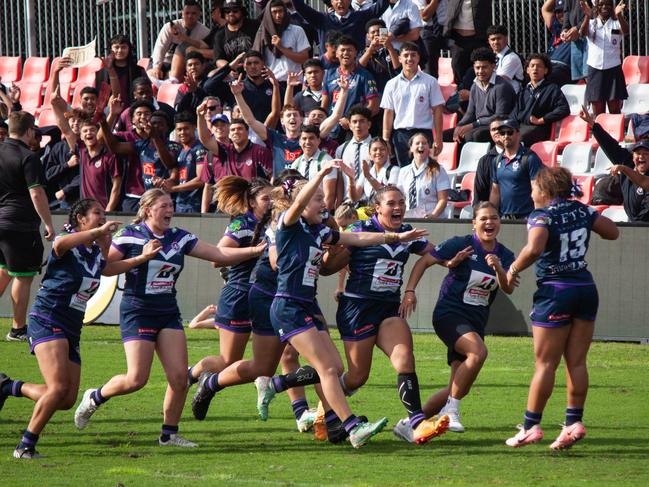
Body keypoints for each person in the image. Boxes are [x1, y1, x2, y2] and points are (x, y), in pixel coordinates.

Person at [246, 159, 429, 448]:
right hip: (288, 306)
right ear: (301, 202)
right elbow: (299, 204)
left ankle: (277, 386)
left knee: (334, 367)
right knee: (328, 370)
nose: (324, 204)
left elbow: (356, 237)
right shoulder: (288, 224)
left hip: (306, 305)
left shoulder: (319, 232)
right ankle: (352, 426)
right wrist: (320, 174)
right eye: (318, 199)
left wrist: (396, 236)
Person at [73, 189, 266, 447]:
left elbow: (218, 255)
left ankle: (169, 434)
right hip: (138, 310)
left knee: (178, 378)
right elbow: (107, 268)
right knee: (136, 379)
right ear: (148, 209)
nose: (170, 210)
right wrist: (139, 257)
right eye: (164, 205)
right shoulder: (130, 235)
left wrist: (254, 250)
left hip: (167, 312)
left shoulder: (179, 237)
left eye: (171, 205)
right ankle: (95, 397)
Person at [321, 185, 451, 445]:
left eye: (401, 202)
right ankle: (326, 406)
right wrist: (332, 253)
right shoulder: (359, 230)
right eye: (392, 203)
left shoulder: (407, 233)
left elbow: (438, 254)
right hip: (358, 308)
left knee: (404, 358)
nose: (399, 207)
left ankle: (414, 424)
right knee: (358, 376)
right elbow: (327, 269)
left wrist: (460, 257)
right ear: (377, 208)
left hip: (389, 309)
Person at [504, 166, 619, 449]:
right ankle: (573, 422)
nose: (531, 193)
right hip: (584, 288)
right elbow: (613, 232)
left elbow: (535, 248)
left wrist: (513, 268)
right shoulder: (583, 210)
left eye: (534, 188)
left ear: (544, 191)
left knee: (545, 364)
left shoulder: (540, 215)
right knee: (577, 362)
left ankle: (530, 426)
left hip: (556, 291)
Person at [1, 200, 120, 458]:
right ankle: (25, 446)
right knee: (56, 389)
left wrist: (142, 258)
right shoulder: (67, 240)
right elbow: (58, 244)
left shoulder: (93, 253)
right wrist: (100, 232)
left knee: (65, 400)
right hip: (48, 318)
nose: (102, 216)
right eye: (97, 213)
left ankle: (8, 387)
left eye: (103, 213)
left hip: (72, 326)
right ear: (80, 218)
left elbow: (108, 267)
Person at [398, 202, 516, 437]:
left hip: (476, 321)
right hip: (449, 314)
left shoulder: (505, 254)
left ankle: (409, 424)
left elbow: (508, 288)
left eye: (494, 218)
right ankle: (451, 411)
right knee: (478, 353)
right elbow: (425, 261)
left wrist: (500, 269)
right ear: (474, 223)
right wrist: (410, 291)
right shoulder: (461, 244)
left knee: (458, 385)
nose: (489, 222)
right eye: (483, 218)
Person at [187, 177, 273, 392]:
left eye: (273, 197)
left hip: (265, 297)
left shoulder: (276, 223)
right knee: (228, 362)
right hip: (239, 295)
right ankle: (190, 375)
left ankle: (300, 407)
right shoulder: (242, 224)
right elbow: (217, 258)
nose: (271, 202)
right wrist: (253, 251)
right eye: (266, 198)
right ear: (252, 202)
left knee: (278, 355)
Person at [0, 112, 54, 342]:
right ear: (30, 130)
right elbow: (36, 192)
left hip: (1, 221)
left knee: (3, 271)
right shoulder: (28, 156)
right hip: (20, 224)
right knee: (23, 276)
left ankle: (18, 327)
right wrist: (49, 223)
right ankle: (18, 328)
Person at [51, 91, 122, 212]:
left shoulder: (109, 156)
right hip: (85, 211)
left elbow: (117, 186)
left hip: (104, 210)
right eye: (85, 131)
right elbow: (65, 128)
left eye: (92, 130)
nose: (89, 133)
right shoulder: (82, 151)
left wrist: (108, 211)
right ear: (81, 136)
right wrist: (54, 104)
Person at [381, 42, 444, 167]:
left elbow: (437, 110)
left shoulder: (430, 81)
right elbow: (388, 112)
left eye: (413, 55)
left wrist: (439, 138)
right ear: (399, 58)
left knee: (425, 170)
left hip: (424, 133)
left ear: (418, 58)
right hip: (400, 134)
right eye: (406, 55)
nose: (409, 59)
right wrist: (386, 139)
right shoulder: (392, 84)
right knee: (404, 172)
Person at [443, 47, 516, 144]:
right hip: (479, 125)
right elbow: (470, 113)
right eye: (477, 68)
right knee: (445, 135)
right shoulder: (474, 86)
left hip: (499, 126)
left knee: (473, 135)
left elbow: (500, 116)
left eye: (484, 67)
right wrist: (459, 126)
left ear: (493, 66)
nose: (480, 71)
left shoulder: (502, 86)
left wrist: (473, 125)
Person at [322, 35, 380, 141]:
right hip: (332, 130)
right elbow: (324, 105)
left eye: (349, 50)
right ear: (336, 53)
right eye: (342, 50)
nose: (346, 53)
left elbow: (374, 106)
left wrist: (352, 122)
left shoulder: (364, 75)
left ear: (356, 53)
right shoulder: (328, 75)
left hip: (355, 132)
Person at [579, 0, 628, 116]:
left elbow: (625, 31)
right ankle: (599, 133)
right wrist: (587, 15)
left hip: (613, 69)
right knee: (598, 112)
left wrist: (619, 15)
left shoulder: (616, 23)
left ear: (612, 7)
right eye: (601, 4)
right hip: (595, 70)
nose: (605, 7)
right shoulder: (591, 23)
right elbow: (582, 32)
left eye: (608, 4)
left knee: (615, 110)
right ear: (597, 7)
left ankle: (615, 133)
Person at [292, 0, 394, 55]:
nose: (340, 1)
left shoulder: (360, 17)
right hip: (329, 71)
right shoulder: (321, 19)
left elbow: (382, 4)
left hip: (355, 70)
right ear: (331, 2)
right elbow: (300, 6)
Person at [509, 54, 570, 146]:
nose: (535, 69)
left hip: (539, 128)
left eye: (539, 66)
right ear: (527, 70)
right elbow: (514, 113)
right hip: (521, 126)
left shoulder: (552, 89)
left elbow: (564, 109)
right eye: (532, 66)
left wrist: (542, 120)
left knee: (519, 138)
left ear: (546, 70)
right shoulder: (523, 91)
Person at [489, 119, 543, 220]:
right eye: (502, 133)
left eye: (510, 132)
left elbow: (537, 190)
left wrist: (538, 218)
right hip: (504, 217)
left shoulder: (530, 158)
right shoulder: (496, 161)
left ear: (518, 134)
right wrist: (492, 215)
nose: (506, 136)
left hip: (527, 217)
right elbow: (495, 192)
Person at [148, 0, 211, 84]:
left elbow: (204, 47)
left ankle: (170, 82)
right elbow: (160, 48)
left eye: (193, 13)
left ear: (199, 14)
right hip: (166, 61)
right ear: (182, 13)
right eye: (187, 13)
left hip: (186, 65)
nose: (190, 16)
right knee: (150, 73)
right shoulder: (169, 27)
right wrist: (157, 67)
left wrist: (183, 38)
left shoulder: (205, 32)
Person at [253, 0, 310, 84]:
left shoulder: (297, 31)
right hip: (269, 82)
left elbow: (304, 58)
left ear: (285, 11)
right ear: (268, 14)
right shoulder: (263, 33)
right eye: (274, 12)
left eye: (280, 11)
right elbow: (256, 57)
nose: (278, 15)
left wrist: (281, 48)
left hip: (293, 82)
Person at [161, 111, 208, 213]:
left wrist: (174, 188)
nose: (182, 132)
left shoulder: (200, 149)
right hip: (180, 203)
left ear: (194, 127)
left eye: (186, 128)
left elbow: (201, 180)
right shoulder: (180, 149)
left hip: (194, 204)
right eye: (179, 129)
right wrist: (165, 182)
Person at [397, 132, 450, 218]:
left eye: (424, 143)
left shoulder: (438, 170)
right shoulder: (403, 171)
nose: (421, 146)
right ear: (411, 148)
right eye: (417, 143)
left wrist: (434, 215)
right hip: (409, 218)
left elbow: (443, 199)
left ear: (428, 148)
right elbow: (400, 197)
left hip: (431, 219)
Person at [444, 0, 492, 84]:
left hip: (477, 39)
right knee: (457, 68)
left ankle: (479, 93)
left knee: (479, 70)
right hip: (458, 40)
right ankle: (461, 92)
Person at [291, 125, 338, 210]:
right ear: (299, 141)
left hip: (319, 210)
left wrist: (323, 216)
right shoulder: (296, 164)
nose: (307, 142)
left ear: (318, 141)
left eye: (311, 138)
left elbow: (329, 195)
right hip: (301, 211)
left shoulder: (326, 161)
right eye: (304, 139)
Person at [96, 34, 147, 106]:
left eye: (123, 47)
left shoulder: (139, 70)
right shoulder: (102, 72)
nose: (120, 50)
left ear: (129, 49)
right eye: (116, 47)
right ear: (110, 50)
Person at [213, 0, 260, 68]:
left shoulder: (255, 26)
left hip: (255, 68)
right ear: (223, 13)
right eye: (227, 11)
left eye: (235, 10)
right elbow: (218, 60)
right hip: (233, 72)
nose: (231, 13)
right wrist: (229, 68)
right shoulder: (220, 35)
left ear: (242, 11)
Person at [355, 137, 401, 203]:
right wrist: (350, 178)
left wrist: (369, 177)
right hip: (370, 210)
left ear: (388, 152)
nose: (378, 152)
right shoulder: (367, 171)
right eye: (375, 150)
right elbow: (355, 197)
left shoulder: (394, 170)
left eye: (382, 149)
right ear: (370, 154)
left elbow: (388, 195)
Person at [473, 118, 504, 203]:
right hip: (494, 213)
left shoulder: (526, 157)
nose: (497, 132)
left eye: (500, 128)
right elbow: (479, 195)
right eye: (493, 129)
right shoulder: (484, 161)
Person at [486, 25, 524, 94]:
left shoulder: (512, 58)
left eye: (499, 38)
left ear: (506, 39)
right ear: (488, 41)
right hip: (495, 95)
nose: (496, 42)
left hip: (509, 98)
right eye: (493, 39)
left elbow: (498, 81)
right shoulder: (491, 56)